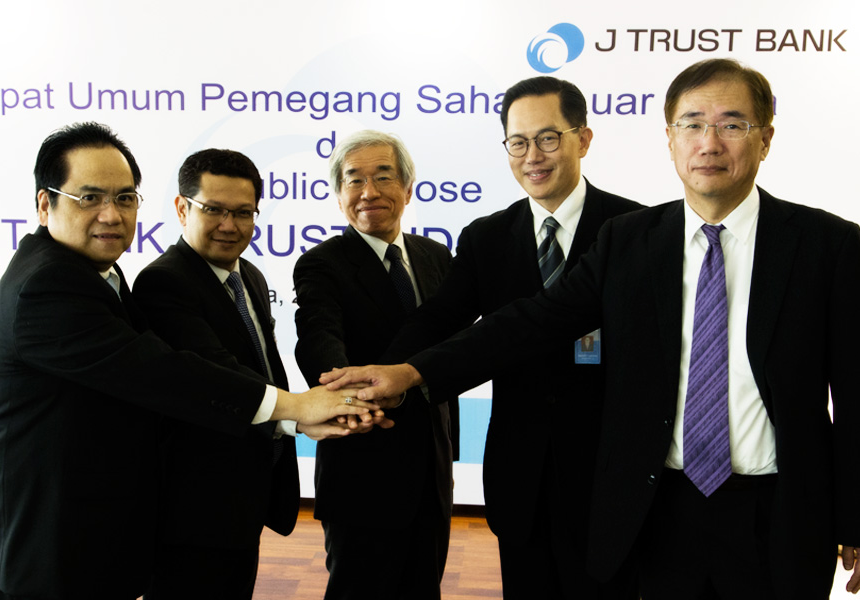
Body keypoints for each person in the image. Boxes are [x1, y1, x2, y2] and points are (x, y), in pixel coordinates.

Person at [323, 59, 860, 599]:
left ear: (764, 138)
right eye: (692, 124)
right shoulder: (633, 241)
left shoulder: (826, 246)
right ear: (669, 139)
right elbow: (529, 323)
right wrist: (410, 372)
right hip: (664, 507)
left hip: (781, 511)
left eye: (731, 124)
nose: (709, 143)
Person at [0, 122, 377, 600]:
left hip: (91, 534)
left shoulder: (93, 272)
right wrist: (295, 407)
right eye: (89, 197)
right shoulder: (48, 286)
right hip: (46, 544)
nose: (111, 214)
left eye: (125, 198)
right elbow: (162, 372)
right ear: (46, 204)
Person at [383, 77, 642, 599]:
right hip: (521, 471)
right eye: (517, 142)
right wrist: (380, 375)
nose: (532, 157)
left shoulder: (636, 229)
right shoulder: (487, 237)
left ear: (583, 139)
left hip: (609, 474)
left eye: (547, 138)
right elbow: (441, 319)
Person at [133, 149, 353, 599]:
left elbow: (261, 367)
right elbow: (217, 374)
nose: (229, 225)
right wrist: (298, 414)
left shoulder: (248, 274)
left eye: (243, 212)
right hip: (193, 507)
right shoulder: (163, 282)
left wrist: (299, 418)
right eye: (213, 210)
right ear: (182, 208)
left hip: (243, 495)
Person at [293, 130, 456, 599]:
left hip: (432, 468)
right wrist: (354, 397)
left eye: (383, 177)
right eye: (354, 180)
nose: (369, 192)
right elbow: (319, 339)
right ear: (339, 194)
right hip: (362, 464)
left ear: (407, 188)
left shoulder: (435, 256)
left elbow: (453, 343)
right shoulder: (321, 264)